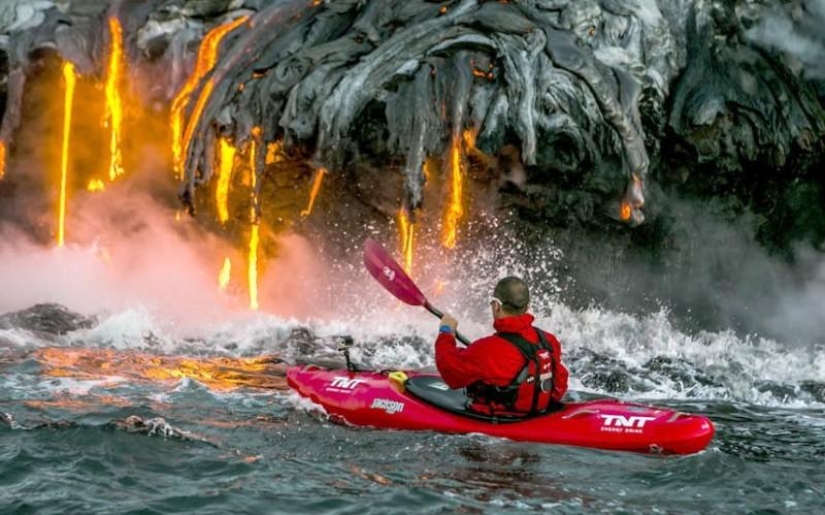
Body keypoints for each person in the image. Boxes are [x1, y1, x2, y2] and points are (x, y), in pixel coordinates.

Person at [435, 276, 569, 417]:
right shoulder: (548, 340)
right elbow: (560, 382)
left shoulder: (487, 350)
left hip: (499, 422)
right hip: (537, 415)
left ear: (497, 306)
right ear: (527, 306)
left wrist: (446, 332)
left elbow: (450, 370)